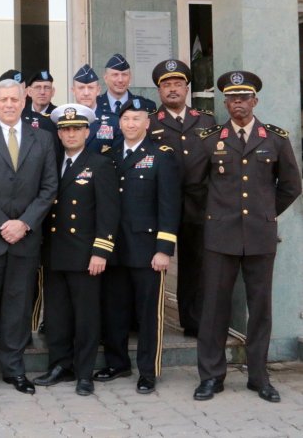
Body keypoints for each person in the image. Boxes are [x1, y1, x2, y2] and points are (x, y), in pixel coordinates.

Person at [193, 71, 301, 403]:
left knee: (260, 309)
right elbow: (196, 186)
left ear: (255, 101)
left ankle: (258, 376)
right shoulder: (210, 138)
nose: (238, 103)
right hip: (220, 237)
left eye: (245, 98)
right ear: (225, 102)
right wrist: (214, 217)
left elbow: (292, 186)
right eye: (232, 98)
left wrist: (266, 213)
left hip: (259, 236)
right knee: (213, 308)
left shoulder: (275, 139)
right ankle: (211, 376)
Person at [0, 78, 57, 396]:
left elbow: (49, 188)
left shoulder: (42, 139)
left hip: (25, 239)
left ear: (23, 101)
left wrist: (25, 224)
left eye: (14, 99)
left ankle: (14, 369)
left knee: (17, 307)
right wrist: (3, 224)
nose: (8, 104)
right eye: (3, 99)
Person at [94, 98, 180, 395]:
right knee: (114, 311)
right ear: (119, 123)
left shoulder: (161, 155)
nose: (131, 124)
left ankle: (148, 370)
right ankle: (117, 363)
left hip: (147, 250)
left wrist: (164, 249)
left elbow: (169, 205)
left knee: (147, 314)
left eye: (137, 119)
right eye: (126, 118)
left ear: (148, 123)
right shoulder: (109, 154)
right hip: (114, 248)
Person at [33, 103, 119, 396]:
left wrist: (101, 251)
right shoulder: (50, 161)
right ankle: (60, 366)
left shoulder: (100, 164)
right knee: (57, 316)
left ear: (87, 131)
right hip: (55, 252)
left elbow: (109, 213)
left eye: (76, 129)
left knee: (86, 317)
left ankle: (84, 373)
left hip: (85, 255)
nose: (71, 134)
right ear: (58, 133)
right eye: (65, 129)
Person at [148, 59, 216, 337]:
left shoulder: (207, 121)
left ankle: (193, 320)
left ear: (187, 88)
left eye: (178, 84)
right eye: (167, 85)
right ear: (159, 91)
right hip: (160, 205)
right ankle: (148, 321)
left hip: (198, 205)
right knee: (152, 263)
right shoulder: (150, 122)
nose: (172, 89)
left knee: (195, 265)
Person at [71, 64, 122, 154]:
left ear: (98, 90)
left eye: (90, 88)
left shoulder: (114, 122)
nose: (86, 93)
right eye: (81, 88)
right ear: (73, 91)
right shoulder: (64, 121)